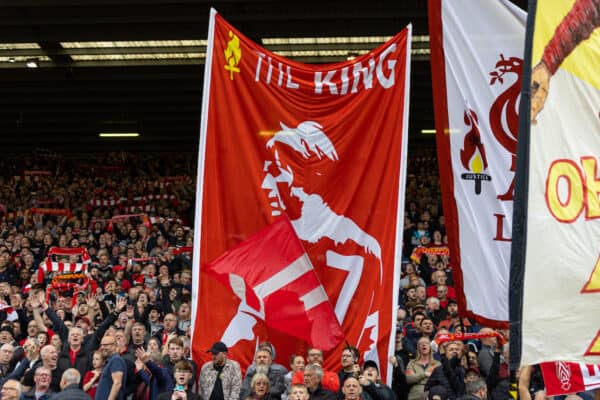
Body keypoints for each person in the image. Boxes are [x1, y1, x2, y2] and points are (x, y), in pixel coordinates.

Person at [96, 335, 126, 400]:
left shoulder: (116, 360)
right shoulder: (111, 360)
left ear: (114, 346)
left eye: (106, 345)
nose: (102, 347)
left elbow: (117, 383)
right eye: (101, 345)